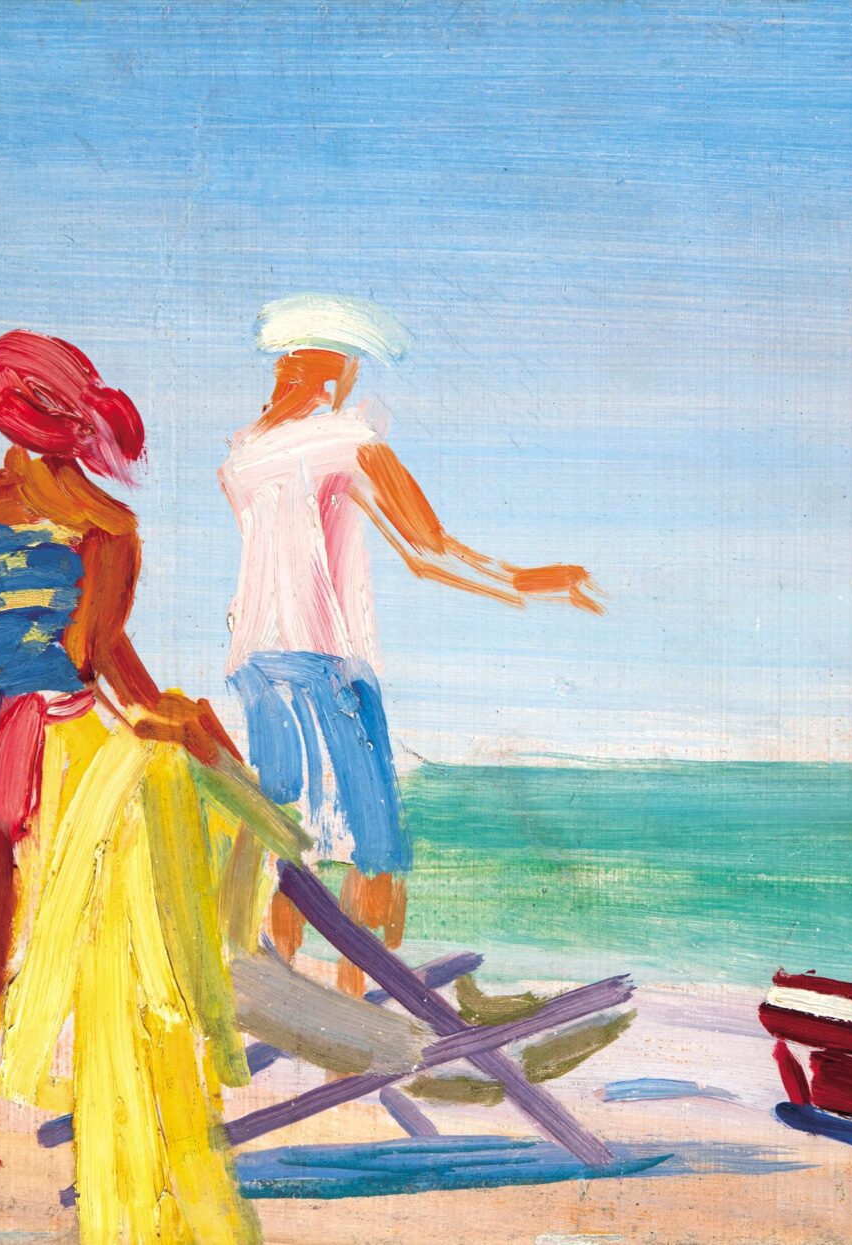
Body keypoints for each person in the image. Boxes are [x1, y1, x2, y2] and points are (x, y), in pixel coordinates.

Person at [0, 330, 234, 1176]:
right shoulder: (106, 525)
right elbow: (97, 660)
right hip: (52, 743)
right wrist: (190, 730)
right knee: (38, 940)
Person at [223, 294, 601, 996]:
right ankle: (354, 998)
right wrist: (527, 581)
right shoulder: (348, 440)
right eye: (352, 370)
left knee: (286, 839)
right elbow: (427, 549)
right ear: (334, 372)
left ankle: (282, 987)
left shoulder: (243, 457)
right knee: (376, 849)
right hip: (331, 662)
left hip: (257, 666)